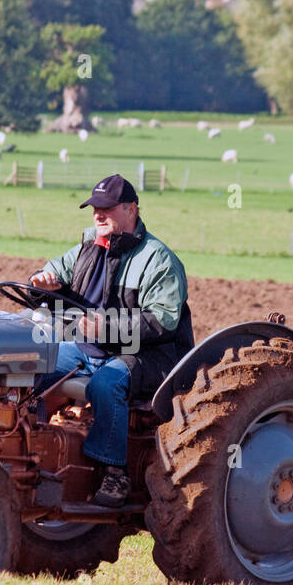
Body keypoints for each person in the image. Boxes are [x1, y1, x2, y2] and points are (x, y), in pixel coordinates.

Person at [30, 174, 193, 507]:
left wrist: (106, 329)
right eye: (94, 208)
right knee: (33, 362)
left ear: (131, 209)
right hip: (90, 348)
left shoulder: (158, 260)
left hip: (149, 356)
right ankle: (33, 451)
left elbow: (162, 321)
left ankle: (114, 473)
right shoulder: (88, 247)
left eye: (106, 208)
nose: (98, 215)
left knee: (106, 384)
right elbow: (54, 272)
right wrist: (42, 282)